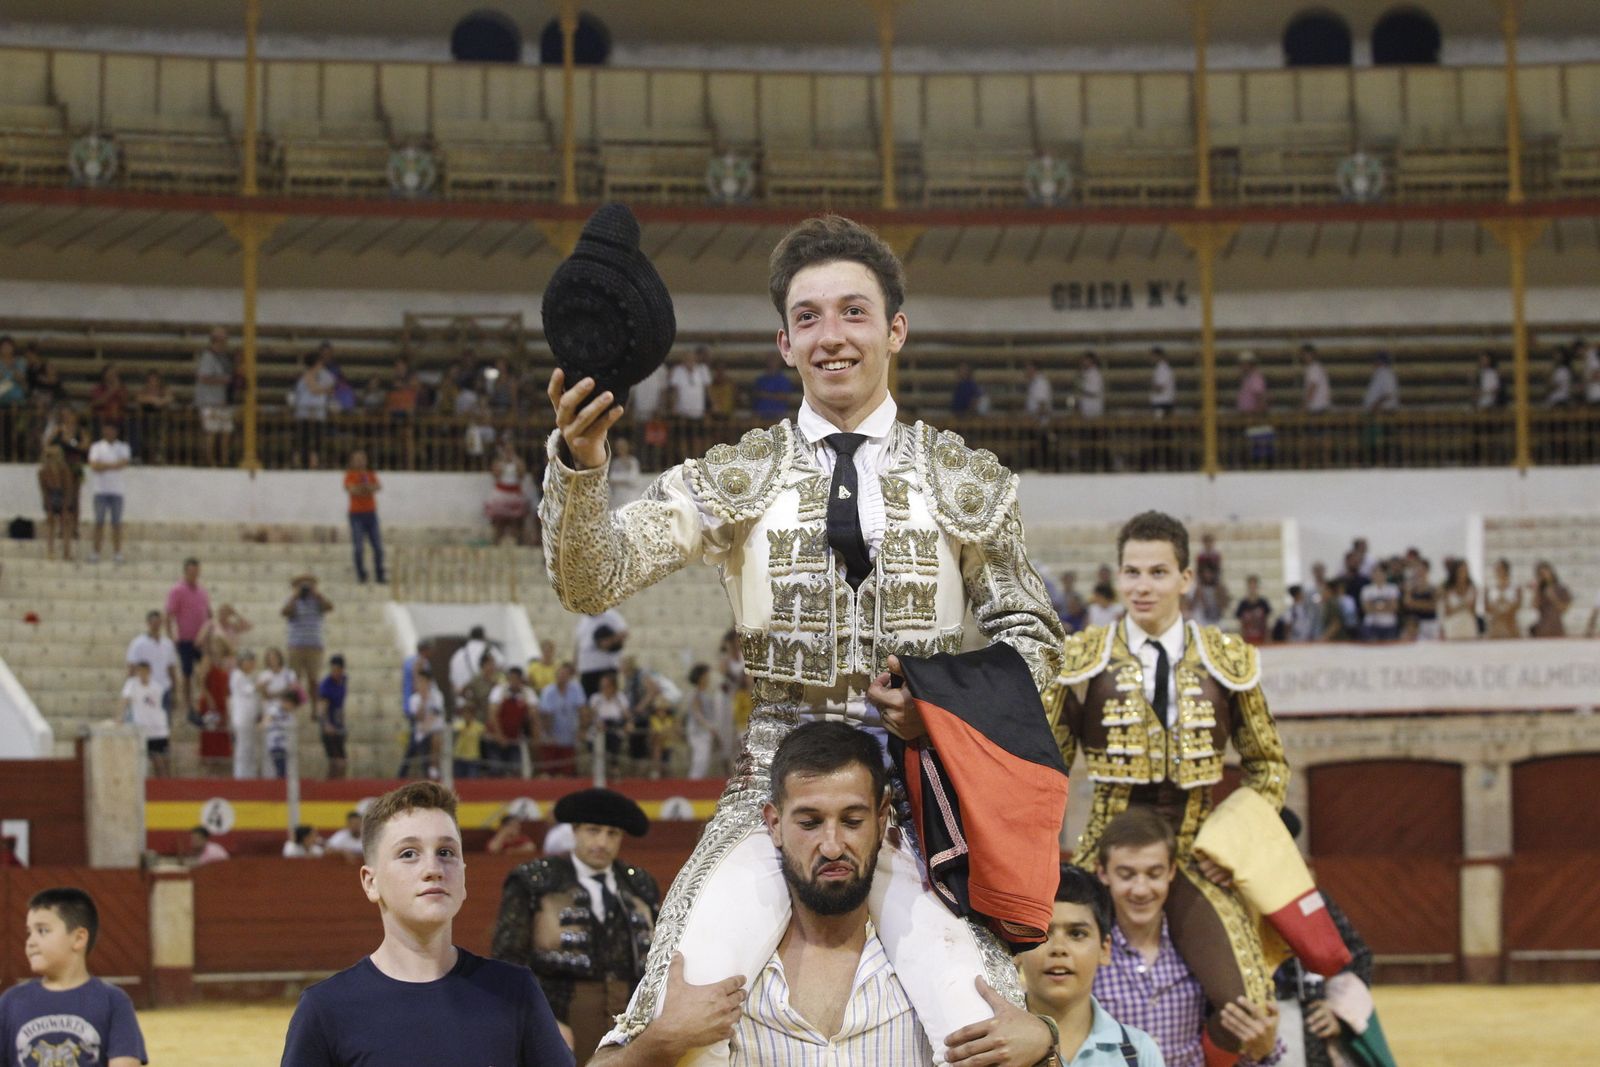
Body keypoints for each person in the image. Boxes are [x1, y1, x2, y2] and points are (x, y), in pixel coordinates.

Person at [541, 214, 1063, 1062]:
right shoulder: (734, 476)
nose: (833, 337)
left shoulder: (966, 480)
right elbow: (588, 580)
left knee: (992, 1035)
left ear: (894, 329)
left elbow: (1033, 636)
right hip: (770, 795)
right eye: (810, 317)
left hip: (916, 799)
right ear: (784, 342)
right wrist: (581, 461)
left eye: (853, 312)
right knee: (673, 1017)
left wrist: (936, 706)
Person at [588, 721, 1052, 1067]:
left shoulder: (930, 963)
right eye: (809, 823)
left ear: (883, 817)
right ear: (773, 823)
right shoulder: (722, 955)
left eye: (852, 821)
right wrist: (660, 1041)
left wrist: (1046, 1042)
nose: (832, 846)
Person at [1046, 511, 1289, 1059]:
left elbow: (1268, 767)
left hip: (1198, 857)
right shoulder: (1081, 659)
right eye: (1131, 572)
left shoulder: (1228, 661)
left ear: (1186, 578)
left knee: (1246, 1007)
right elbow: (1045, 771)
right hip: (1102, 861)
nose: (1141, 586)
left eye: (1157, 573)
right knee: (1044, 987)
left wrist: (1233, 846)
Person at [281, 782, 571, 1067]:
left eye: (446, 852)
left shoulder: (516, 991)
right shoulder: (325, 1010)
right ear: (371, 883)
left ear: (464, 877)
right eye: (408, 853)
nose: (433, 869)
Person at [1091, 809, 1281, 1067]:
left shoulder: (1200, 952)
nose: (1141, 889)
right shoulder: (1090, 953)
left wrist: (1262, 1050)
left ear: (1171, 872)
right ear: (1103, 873)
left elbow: (1254, 1052)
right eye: (1126, 875)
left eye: (1154, 874)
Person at [493, 788, 661, 1063]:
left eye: (612, 834)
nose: (602, 842)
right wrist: (539, 1018)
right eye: (593, 831)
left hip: (628, 1028)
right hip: (558, 1021)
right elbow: (508, 959)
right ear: (575, 831)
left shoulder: (640, 885)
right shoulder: (535, 881)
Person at [1019, 865, 1166, 1067]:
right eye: (1043, 934)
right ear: (1017, 950)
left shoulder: (1137, 1052)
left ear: (1105, 949)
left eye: (1077, 934)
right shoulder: (994, 1045)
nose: (1059, 948)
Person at [0, 887, 148, 1067]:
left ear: (78, 938)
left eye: (43, 930)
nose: (30, 941)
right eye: (29, 932)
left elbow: (125, 1062)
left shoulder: (113, 1001)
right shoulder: (11, 1002)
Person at [1271, 810, 1373, 1067]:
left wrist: (1339, 1010)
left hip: (1311, 1032)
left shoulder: (1310, 899)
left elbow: (1358, 955)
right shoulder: (1227, 903)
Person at [164, 557, 212, 715]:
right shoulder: (177, 590)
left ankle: (204, 701)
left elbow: (208, 612)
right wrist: (171, 636)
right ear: (185, 572)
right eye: (191, 572)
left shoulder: (202, 591)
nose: (194, 575)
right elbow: (169, 614)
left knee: (207, 670)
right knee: (186, 672)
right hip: (185, 639)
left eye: (197, 572)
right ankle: (188, 704)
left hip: (202, 640)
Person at [284, 575, 333, 722]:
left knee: (314, 680)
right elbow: (285, 612)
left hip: (314, 645)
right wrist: (295, 597)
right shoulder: (292, 600)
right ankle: (292, 708)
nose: (305, 588)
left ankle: (315, 710)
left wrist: (318, 595)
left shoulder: (318, 601)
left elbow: (329, 607)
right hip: (296, 645)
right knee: (294, 680)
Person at [86, 421, 131, 564]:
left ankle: (117, 553)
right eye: (106, 429)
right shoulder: (96, 447)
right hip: (100, 491)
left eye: (111, 430)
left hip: (117, 491)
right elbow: (94, 465)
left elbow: (123, 463)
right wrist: (113, 465)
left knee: (116, 524)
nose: (109, 432)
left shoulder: (123, 447)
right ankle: (95, 552)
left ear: (116, 431)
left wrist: (103, 465)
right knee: (99, 523)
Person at [126, 609, 179, 723]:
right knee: (145, 723)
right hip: (145, 690)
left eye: (159, 622)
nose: (156, 625)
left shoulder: (167, 644)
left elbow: (171, 670)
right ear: (148, 623)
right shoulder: (138, 643)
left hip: (164, 689)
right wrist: (130, 690)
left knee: (164, 723)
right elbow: (131, 668)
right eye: (154, 622)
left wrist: (175, 692)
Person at [120, 660, 170, 778]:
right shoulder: (132, 684)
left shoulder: (157, 688)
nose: (142, 674)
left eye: (145, 671)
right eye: (140, 671)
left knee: (161, 759)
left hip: (158, 729)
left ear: (149, 671)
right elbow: (124, 700)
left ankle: (164, 785)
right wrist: (119, 717)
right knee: (148, 757)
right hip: (142, 729)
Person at [344, 449, 386, 584]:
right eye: (357, 459)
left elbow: (378, 487)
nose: (360, 461)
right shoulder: (349, 475)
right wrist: (367, 488)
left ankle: (380, 574)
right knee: (358, 547)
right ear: (352, 461)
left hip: (371, 514)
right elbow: (352, 490)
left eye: (362, 458)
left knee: (378, 547)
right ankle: (361, 575)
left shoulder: (370, 474)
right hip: (356, 515)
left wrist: (362, 489)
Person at [195, 326, 234, 466]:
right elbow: (203, 377)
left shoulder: (224, 357)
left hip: (223, 400)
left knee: (225, 432)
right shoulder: (208, 356)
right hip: (209, 400)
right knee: (210, 432)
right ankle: (209, 462)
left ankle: (224, 461)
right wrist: (224, 380)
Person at [487, 666, 536, 778]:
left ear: (520, 680)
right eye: (511, 678)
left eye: (515, 679)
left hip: (514, 739)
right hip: (496, 739)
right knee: (496, 770)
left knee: (515, 770)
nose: (513, 681)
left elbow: (533, 716)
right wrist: (499, 736)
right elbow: (493, 715)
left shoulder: (528, 693)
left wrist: (533, 737)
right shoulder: (499, 691)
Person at [259, 648, 300, 779]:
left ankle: (290, 779)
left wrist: (275, 694)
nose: (273, 660)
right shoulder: (264, 675)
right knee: (271, 748)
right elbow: (265, 695)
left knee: (289, 749)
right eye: (270, 657)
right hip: (272, 712)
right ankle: (271, 779)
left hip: (287, 712)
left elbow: (293, 692)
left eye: (275, 657)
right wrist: (275, 693)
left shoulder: (289, 674)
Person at [539, 663, 586, 776]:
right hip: (551, 736)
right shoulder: (548, 691)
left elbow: (582, 710)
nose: (562, 676)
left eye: (565, 674)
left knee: (568, 771)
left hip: (569, 736)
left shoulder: (576, 689)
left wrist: (582, 729)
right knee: (549, 770)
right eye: (560, 674)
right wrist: (549, 735)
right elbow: (546, 715)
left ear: (569, 676)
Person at [405, 669, 447, 780]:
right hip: (420, 732)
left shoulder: (437, 696)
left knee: (436, 738)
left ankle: (433, 768)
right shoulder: (414, 699)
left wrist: (427, 727)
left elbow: (435, 713)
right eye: (419, 681)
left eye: (423, 681)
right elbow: (418, 717)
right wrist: (423, 701)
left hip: (434, 729)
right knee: (419, 747)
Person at [575, 610, 629, 697]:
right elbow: (578, 645)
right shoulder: (583, 620)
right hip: (586, 670)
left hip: (605, 668)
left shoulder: (611, 615)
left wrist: (609, 641)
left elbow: (625, 633)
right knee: (589, 701)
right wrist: (575, 664)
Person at [586, 672, 629, 780]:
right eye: (602, 686)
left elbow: (626, 715)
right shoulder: (596, 698)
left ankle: (614, 768)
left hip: (615, 725)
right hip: (599, 725)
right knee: (594, 738)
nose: (604, 688)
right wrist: (596, 721)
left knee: (614, 737)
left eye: (607, 686)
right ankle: (597, 769)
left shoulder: (620, 697)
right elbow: (591, 716)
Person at [37, 444, 76, 560]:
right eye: (48, 456)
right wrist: (48, 508)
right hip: (51, 495)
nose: (50, 459)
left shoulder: (64, 470)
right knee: (50, 523)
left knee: (66, 522)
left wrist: (65, 507)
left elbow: (68, 489)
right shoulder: (42, 472)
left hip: (63, 495)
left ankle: (66, 552)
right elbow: (44, 491)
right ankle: (50, 551)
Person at [229, 648, 262, 780]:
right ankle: (240, 776)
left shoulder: (249, 677)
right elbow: (247, 691)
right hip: (242, 718)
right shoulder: (237, 675)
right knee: (243, 748)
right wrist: (260, 685)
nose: (252, 664)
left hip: (251, 718)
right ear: (242, 662)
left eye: (253, 661)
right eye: (249, 661)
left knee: (251, 748)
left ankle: (251, 776)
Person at [317, 655, 350, 780]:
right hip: (329, 726)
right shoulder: (327, 685)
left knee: (341, 760)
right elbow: (322, 706)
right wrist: (325, 724)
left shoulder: (343, 681)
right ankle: (332, 785)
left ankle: (336, 783)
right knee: (337, 761)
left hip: (338, 724)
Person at [1358, 562, 1401, 642]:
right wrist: (1386, 605)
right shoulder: (1366, 589)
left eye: (1380, 572)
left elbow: (1394, 607)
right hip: (1371, 624)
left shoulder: (1392, 588)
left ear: (1385, 574)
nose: (1378, 575)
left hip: (1389, 624)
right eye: (1375, 572)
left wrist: (1374, 606)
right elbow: (1366, 609)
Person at [1530, 561, 1572, 638]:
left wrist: (1553, 597)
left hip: (1557, 627)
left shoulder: (1562, 589)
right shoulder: (1540, 590)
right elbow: (1534, 606)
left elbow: (1564, 609)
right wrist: (1537, 589)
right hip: (1542, 628)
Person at [1439, 560, 1479, 641]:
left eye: (1466, 570)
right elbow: (1447, 612)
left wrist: (1463, 606)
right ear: (1455, 572)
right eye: (1461, 571)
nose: (1463, 573)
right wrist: (1462, 606)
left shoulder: (1472, 588)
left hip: (1468, 625)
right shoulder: (1447, 589)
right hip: (1453, 626)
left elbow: (1473, 611)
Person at [1484, 558, 1522, 639]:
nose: (1498, 571)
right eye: (1496, 569)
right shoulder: (1489, 587)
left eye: (1500, 569)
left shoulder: (1516, 587)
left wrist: (1505, 604)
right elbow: (1487, 607)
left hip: (1511, 623)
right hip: (1495, 623)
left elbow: (1518, 605)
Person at [751, 353, 795, 420]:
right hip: (761, 413)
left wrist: (765, 395)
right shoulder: (761, 380)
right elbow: (755, 394)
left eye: (774, 361)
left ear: (779, 363)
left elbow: (784, 396)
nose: (772, 363)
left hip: (778, 413)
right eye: (770, 361)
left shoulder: (783, 380)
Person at [1234, 575, 1271, 647]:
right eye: (1251, 586)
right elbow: (1241, 623)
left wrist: (1268, 637)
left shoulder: (1263, 603)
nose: (1252, 588)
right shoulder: (1243, 604)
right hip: (1247, 639)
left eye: (1254, 586)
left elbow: (1266, 622)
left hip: (1261, 638)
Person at [452, 703, 487, 779]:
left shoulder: (479, 726)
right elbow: (454, 733)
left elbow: (485, 735)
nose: (467, 716)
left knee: (472, 781)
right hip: (459, 757)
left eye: (469, 713)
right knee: (459, 781)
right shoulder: (458, 725)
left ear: (473, 715)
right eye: (465, 713)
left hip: (473, 758)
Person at [1299, 345, 1330, 414]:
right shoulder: (1314, 367)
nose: (1304, 357)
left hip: (1317, 407)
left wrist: (1304, 405)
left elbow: (1313, 387)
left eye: (1306, 355)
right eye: (1303, 355)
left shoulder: (1314, 368)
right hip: (1317, 407)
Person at [1148, 348, 1175, 419]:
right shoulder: (1160, 369)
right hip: (1161, 403)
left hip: (1162, 403)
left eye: (1152, 356)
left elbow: (1160, 387)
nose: (1151, 359)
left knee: (1160, 428)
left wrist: (1152, 387)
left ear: (1158, 356)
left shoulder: (1163, 369)